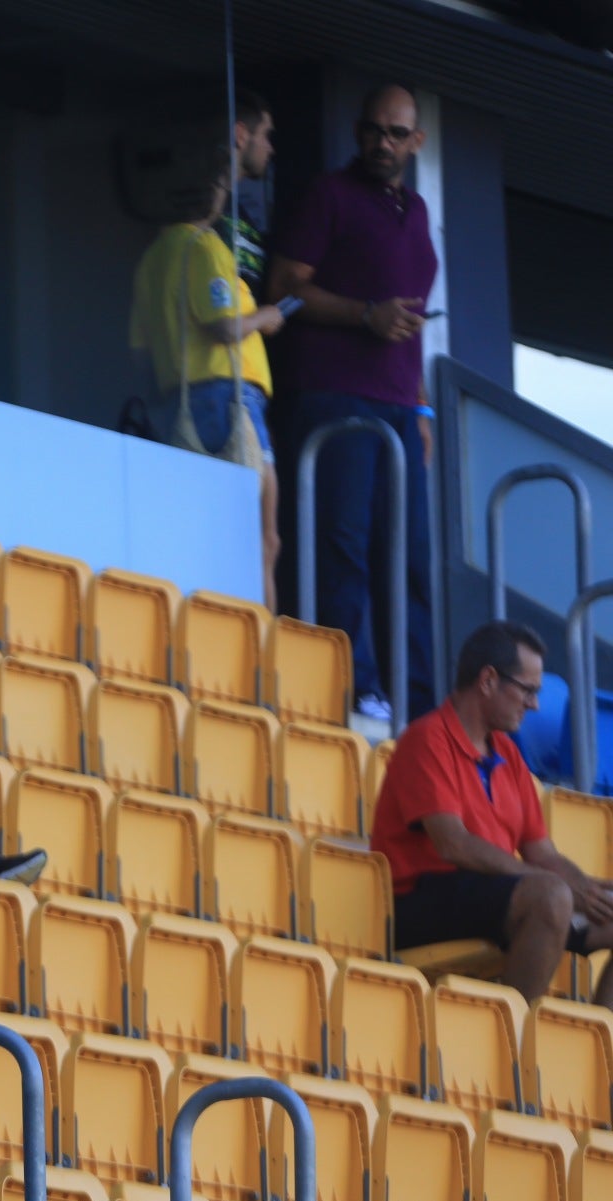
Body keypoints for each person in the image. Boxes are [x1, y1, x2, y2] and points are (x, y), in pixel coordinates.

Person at [268, 83, 439, 724]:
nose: (382, 143)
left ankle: (416, 703)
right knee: (343, 549)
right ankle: (351, 686)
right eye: (372, 130)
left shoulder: (416, 210)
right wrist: (364, 314)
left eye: (396, 133)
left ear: (416, 142)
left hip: (398, 405)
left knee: (409, 558)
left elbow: (413, 320)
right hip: (337, 397)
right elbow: (284, 286)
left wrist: (419, 404)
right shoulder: (328, 195)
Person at [373, 621, 613, 1007]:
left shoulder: (510, 755)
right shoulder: (426, 738)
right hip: (419, 902)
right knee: (550, 895)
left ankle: (603, 1053)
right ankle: (512, 1040)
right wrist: (559, 886)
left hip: (491, 893)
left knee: (571, 894)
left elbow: (543, 854)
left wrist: (587, 889)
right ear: (487, 680)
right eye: (529, 690)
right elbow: (454, 844)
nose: (534, 704)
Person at [131, 147, 286, 610]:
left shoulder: (150, 260)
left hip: (174, 403)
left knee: (201, 537)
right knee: (262, 536)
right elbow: (222, 326)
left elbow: (138, 354)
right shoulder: (205, 249)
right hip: (226, 401)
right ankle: (263, 644)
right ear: (213, 195)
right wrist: (267, 316)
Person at [220, 90, 276, 294]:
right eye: (266, 135)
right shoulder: (204, 211)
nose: (271, 149)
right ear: (241, 135)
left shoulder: (240, 212)